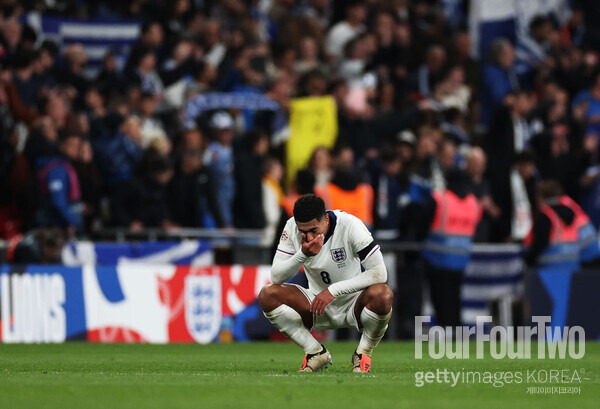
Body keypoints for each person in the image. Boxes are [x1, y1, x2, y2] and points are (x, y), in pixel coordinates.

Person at [258, 194, 393, 373]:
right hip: (316, 303)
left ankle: (363, 352)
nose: (309, 236)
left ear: (326, 219)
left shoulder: (350, 225)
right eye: (303, 231)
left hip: (354, 302)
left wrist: (333, 291)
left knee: (383, 295)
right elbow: (276, 276)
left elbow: (379, 272)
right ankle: (315, 352)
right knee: (268, 295)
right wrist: (303, 255)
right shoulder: (291, 227)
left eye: (314, 230)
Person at [413, 169, 481, 327]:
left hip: (437, 260)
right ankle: (456, 331)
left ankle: (447, 331)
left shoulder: (440, 199)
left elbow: (421, 225)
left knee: (440, 300)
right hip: (461, 260)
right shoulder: (473, 203)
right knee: (455, 298)